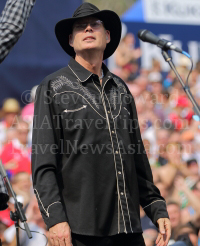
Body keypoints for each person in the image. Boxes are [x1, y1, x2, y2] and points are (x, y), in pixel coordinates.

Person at [32, 3, 171, 246]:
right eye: (80, 26)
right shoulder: (53, 86)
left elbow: (137, 155)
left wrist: (156, 207)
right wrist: (55, 219)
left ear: (107, 36)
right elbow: (43, 163)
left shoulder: (121, 87)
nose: (88, 28)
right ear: (71, 40)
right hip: (79, 230)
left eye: (95, 24)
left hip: (128, 229)